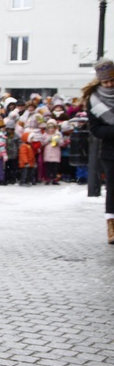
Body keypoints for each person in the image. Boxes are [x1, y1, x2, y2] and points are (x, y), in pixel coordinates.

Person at [82, 58, 114, 244]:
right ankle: (111, 225)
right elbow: (95, 129)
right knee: (112, 189)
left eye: (112, 80)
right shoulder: (93, 100)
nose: (109, 85)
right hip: (111, 151)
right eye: (105, 82)